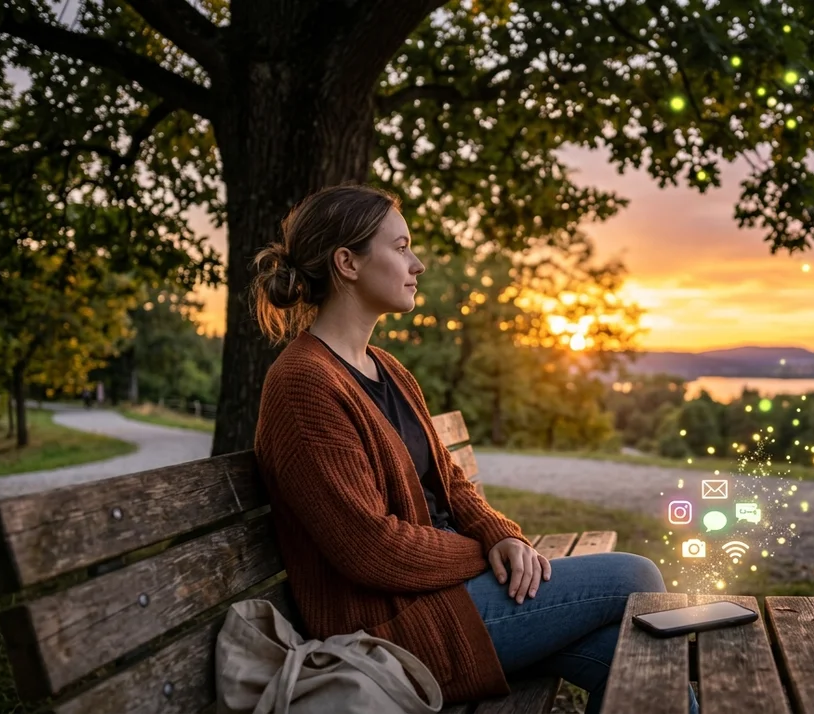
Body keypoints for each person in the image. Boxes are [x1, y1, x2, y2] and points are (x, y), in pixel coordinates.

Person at [249, 184, 698, 714]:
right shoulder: (305, 384)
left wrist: (498, 532)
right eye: (401, 247)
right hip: (391, 627)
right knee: (635, 577)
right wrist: (482, 553)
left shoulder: (387, 368)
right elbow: (371, 549)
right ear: (347, 263)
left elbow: (450, 481)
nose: (417, 264)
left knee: (632, 657)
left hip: (443, 593)